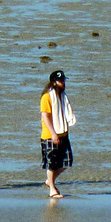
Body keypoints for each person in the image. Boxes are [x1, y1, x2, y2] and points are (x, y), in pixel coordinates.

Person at [40, 70, 76, 198]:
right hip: (50, 135)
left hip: (63, 133)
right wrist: (53, 133)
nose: (63, 83)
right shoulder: (47, 97)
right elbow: (46, 117)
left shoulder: (62, 96)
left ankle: (49, 181)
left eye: (64, 80)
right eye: (61, 81)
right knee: (52, 163)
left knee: (67, 162)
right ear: (54, 82)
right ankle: (52, 189)